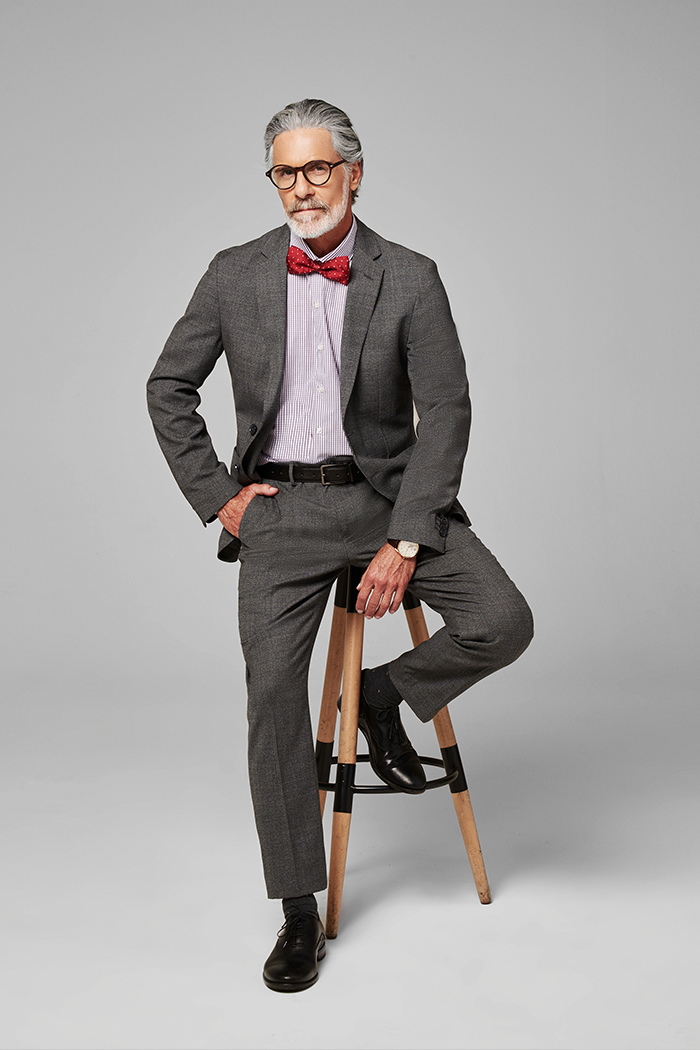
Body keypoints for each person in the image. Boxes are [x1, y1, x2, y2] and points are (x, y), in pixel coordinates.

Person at [147, 98, 533, 993]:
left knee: (503, 619)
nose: (302, 187)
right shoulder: (234, 272)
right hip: (278, 512)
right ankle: (297, 910)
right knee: (273, 698)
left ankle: (382, 694)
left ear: (355, 173)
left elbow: (447, 411)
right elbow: (168, 386)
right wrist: (219, 498)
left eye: (317, 168)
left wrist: (407, 538)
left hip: (387, 498)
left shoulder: (412, 276)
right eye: (285, 172)